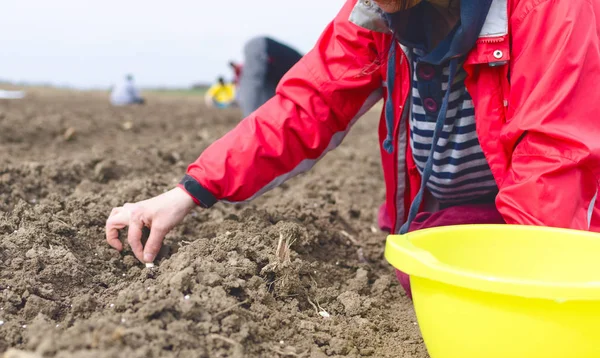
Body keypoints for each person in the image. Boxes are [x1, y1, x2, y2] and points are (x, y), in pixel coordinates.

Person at [106, 0, 600, 297]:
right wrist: (190, 190)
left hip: (557, 224)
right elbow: (307, 106)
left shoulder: (550, 10)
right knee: (419, 273)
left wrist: (525, 287)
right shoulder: (375, 15)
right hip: (454, 217)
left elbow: (555, 157)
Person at [236, 36, 303, 117]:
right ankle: (248, 123)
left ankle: (254, 122)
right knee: (252, 85)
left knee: (267, 99)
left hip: (271, 72)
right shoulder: (304, 71)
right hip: (261, 46)